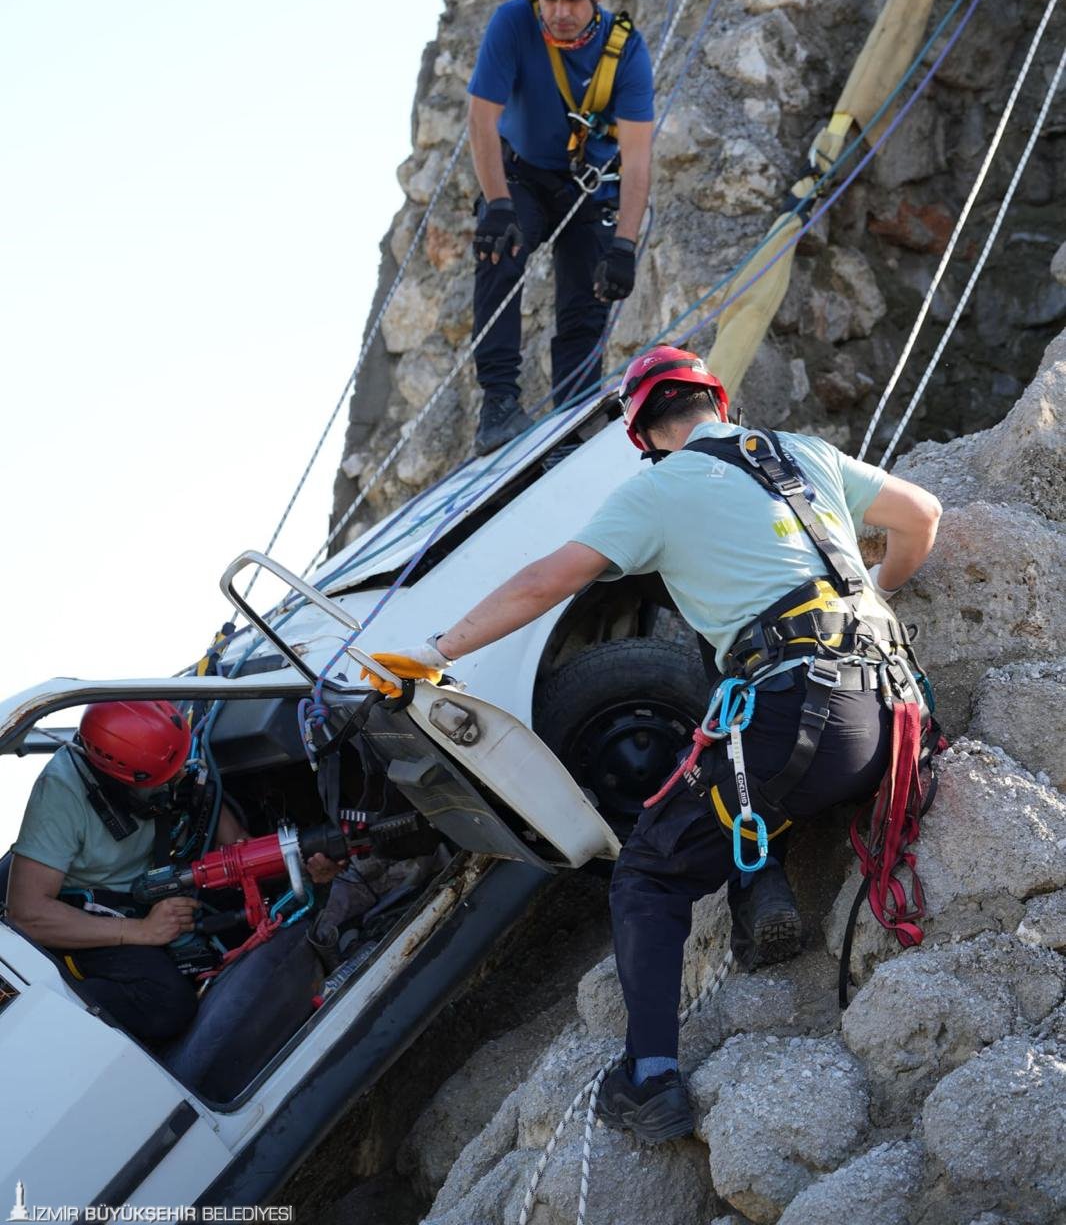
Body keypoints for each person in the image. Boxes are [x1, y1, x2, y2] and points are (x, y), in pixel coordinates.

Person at [362, 345, 942, 1142]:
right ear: (719, 403)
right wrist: (881, 591)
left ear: (644, 434)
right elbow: (923, 517)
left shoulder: (660, 488)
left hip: (798, 729)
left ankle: (651, 1078)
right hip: (892, 718)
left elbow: (545, 583)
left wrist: (435, 652)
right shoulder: (802, 453)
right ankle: (759, 887)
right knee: (735, 750)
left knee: (647, 873)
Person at [6, 699, 340, 1045]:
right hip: (99, 918)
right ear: (118, 776)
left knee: (263, 915)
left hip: (165, 881)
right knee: (167, 1005)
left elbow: (239, 846)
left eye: (180, 766)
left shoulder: (170, 762)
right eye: (165, 777)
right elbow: (28, 914)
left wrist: (296, 863)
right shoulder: (61, 794)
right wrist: (142, 931)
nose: (182, 776)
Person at [467, 0, 655, 455]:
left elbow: (638, 160)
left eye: (572, 0)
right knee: (499, 250)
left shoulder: (627, 53)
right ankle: (498, 400)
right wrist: (498, 205)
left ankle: (570, 428)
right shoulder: (512, 24)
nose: (560, 12)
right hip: (523, 174)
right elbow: (482, 121)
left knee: (585, 300)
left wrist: (624, 244)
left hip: (592, 189)